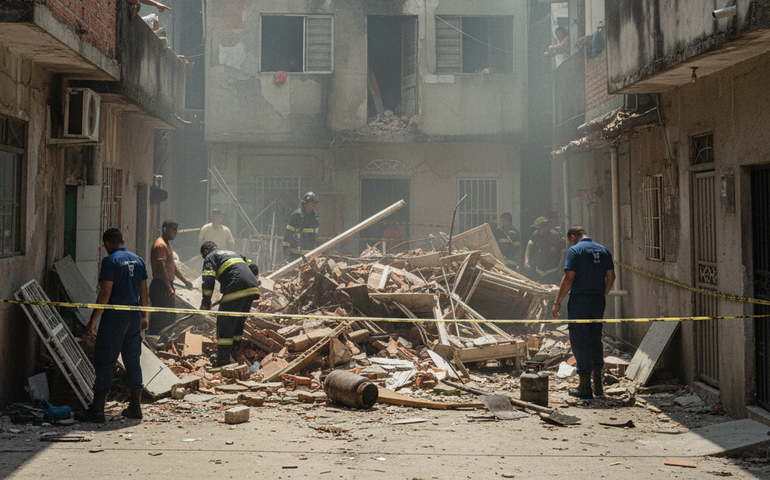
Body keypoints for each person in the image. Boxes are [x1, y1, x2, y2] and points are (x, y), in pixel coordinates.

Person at [75, 228, 148, 423]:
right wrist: (144, 315)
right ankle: (135, 407)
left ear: (107, 244)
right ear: (123, 240)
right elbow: (144, 290)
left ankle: (97, 410)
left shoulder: (110, 261)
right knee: (132, 359)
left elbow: (105, 293)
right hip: (134, 315)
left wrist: (92, 319)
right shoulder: (139, 260)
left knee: (106, 358)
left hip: (116, 316)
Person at [551, 225, 615, 399]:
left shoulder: (575, 250)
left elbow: (569, 277)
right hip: (597, 301)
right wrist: (603, 294)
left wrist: (557, 302)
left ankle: (585, 387)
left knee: (579, 339)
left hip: (580, 301)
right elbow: (611, 276)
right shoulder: (604, 251)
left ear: (572, 237)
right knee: (595, 339)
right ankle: (599, 387)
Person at [199, 241, 260, 366]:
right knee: (238, 322)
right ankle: (234, 352)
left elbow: (208, 280)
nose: (204, 259)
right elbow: (254, 267)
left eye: (203, 256)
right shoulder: (233, 253)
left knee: (225, 323)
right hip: (251, 289)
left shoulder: (210, 257)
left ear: (205, 251)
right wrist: (255, 282)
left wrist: (205, 303)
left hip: (235, 288)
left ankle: (223, 360)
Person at [148, 220, 193, 335]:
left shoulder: (167, 244)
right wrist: (168, 287)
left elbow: (172, 265)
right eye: (173, 230)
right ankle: (154, 338)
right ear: (165, 229)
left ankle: (163, 339)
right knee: (160, 316)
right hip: (160, 285)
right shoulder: (161, 245)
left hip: (165, 284)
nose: (175, 232)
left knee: (170, 315)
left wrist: (185, 281)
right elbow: (161, 267)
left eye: (176, 230)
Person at [524, 216, 567, 285]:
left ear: (546, 226)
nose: (538, 230)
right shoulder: (535, 235)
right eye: (537, 228)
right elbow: (529, 245)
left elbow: (563, 252)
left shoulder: (556, 236)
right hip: (539, 271)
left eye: (540, 228)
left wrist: (560, 267)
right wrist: (526, 260)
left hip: (553, 271)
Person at [283, 192, 319, 262]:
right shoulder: (296, 215)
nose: (312, 207)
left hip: (309, 255)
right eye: (311, 205)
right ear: (305, 204)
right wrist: (286, 249)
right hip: (295, 255)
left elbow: (315, 235)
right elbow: (288, 233)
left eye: (314, 205)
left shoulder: (315, 217)